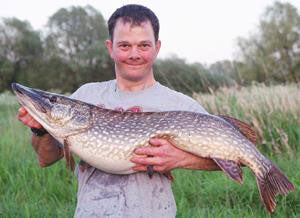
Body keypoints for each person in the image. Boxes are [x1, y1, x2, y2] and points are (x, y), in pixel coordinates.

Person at [17, 4, 219, 218]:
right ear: (110, 47)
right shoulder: (86, 95)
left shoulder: (181, 106)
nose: (134, 54)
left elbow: (233, 159)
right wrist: (41, 130)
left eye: (143, 45)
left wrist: (180, 159)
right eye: (124, 45)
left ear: (157, 47)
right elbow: (45, 159)